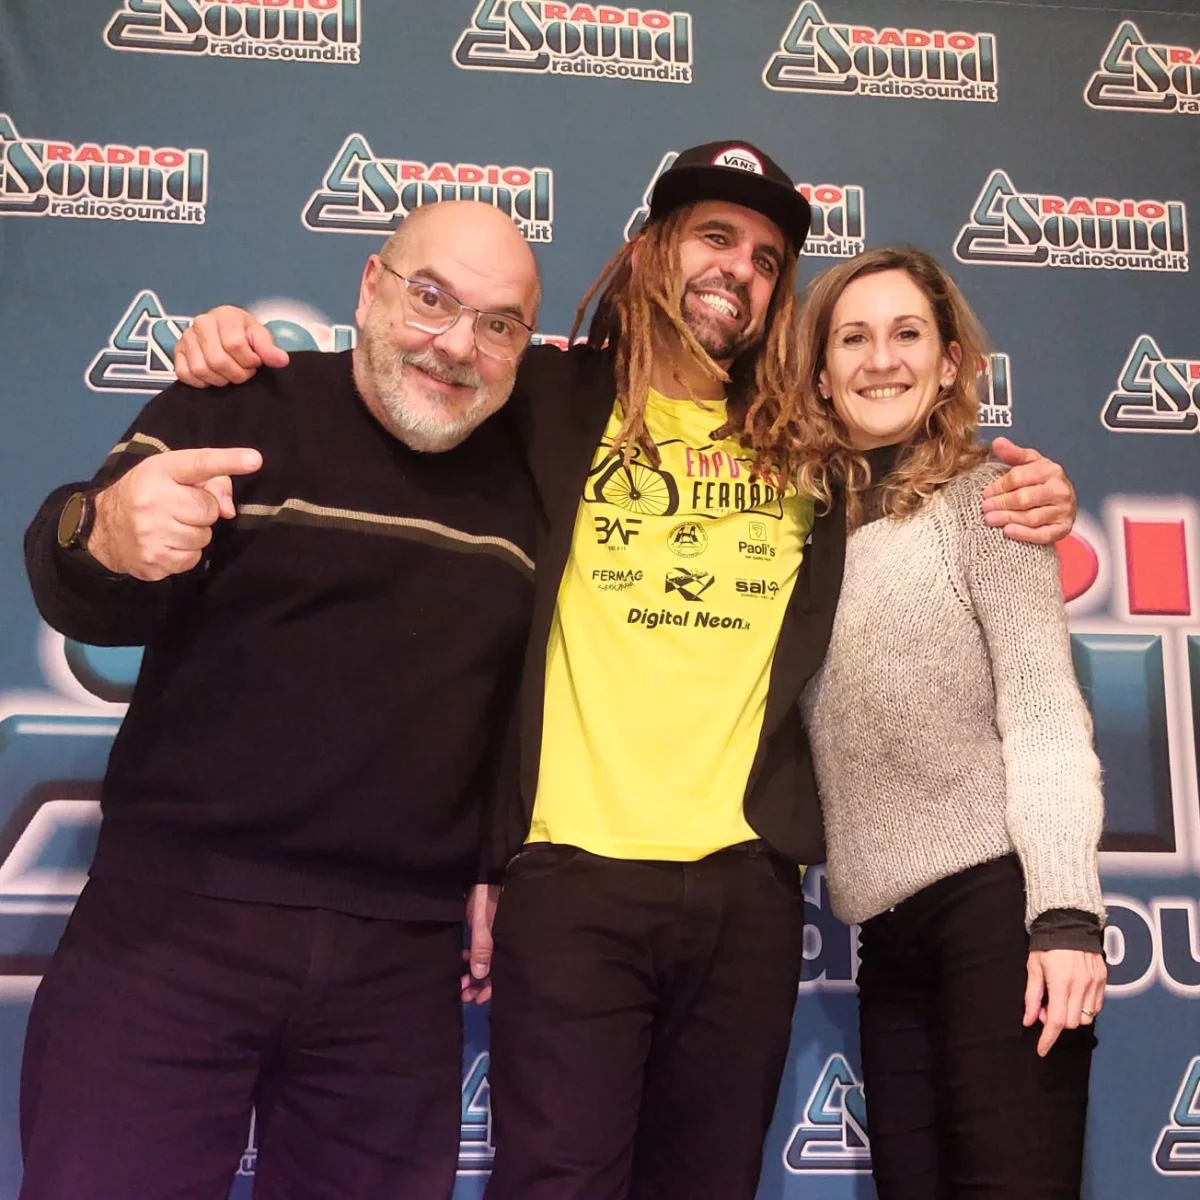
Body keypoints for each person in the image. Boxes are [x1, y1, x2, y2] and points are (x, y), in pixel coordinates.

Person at [173, 140, 1080, 1199]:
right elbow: (408, 379)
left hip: (747, 887)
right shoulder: (543, 397)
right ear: (651, 249)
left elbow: (917, 462)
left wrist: (1030, 493)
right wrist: (234, 348)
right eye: (714, 237)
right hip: (571, 882)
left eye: (765, 258)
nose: (738, 269)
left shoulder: (808, 442)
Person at [20, 200, 540, 1200]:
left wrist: (494, 860)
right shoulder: (240, 402)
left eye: (498, 323)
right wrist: (101, 532)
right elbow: (80, 575)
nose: (455, 343)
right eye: (431, 298)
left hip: (401, 966)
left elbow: (521, 701)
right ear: (370, 289)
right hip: (171, 928)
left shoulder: (533, 473)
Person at [795, 246, 1106, 1199]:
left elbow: (1045, 714)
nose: (880, 359)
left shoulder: (990, 503)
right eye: (853, 338)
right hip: (887, 943)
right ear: (821, 373)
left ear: (947, 364)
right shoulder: (798, 533)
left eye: (907, 334)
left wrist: (1066, 917)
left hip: (998, 919)